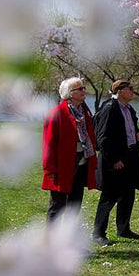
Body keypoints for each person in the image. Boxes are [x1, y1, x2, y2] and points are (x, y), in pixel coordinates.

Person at [92, 79, 139, 245]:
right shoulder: (110, 109)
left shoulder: (129, 110)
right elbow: (102, 138)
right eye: (130, 88)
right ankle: (99, 233)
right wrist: (114, 160)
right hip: (114, 161)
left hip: (130, 157)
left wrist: (138, 137)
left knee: (128, 195)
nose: (133, 91)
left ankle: (124, 229)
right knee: (109, 196)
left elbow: (130, 132)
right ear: (120, 91)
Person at [41, 77, 98, 222]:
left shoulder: (84, 112)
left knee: (75, 205)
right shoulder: (57, 113)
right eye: (79, 89)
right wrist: (50, 169)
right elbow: (48, 144)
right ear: (69, 93)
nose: (83, 91)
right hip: (62, 166)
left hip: (82, 163)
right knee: (57, 206)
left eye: (83, 88)